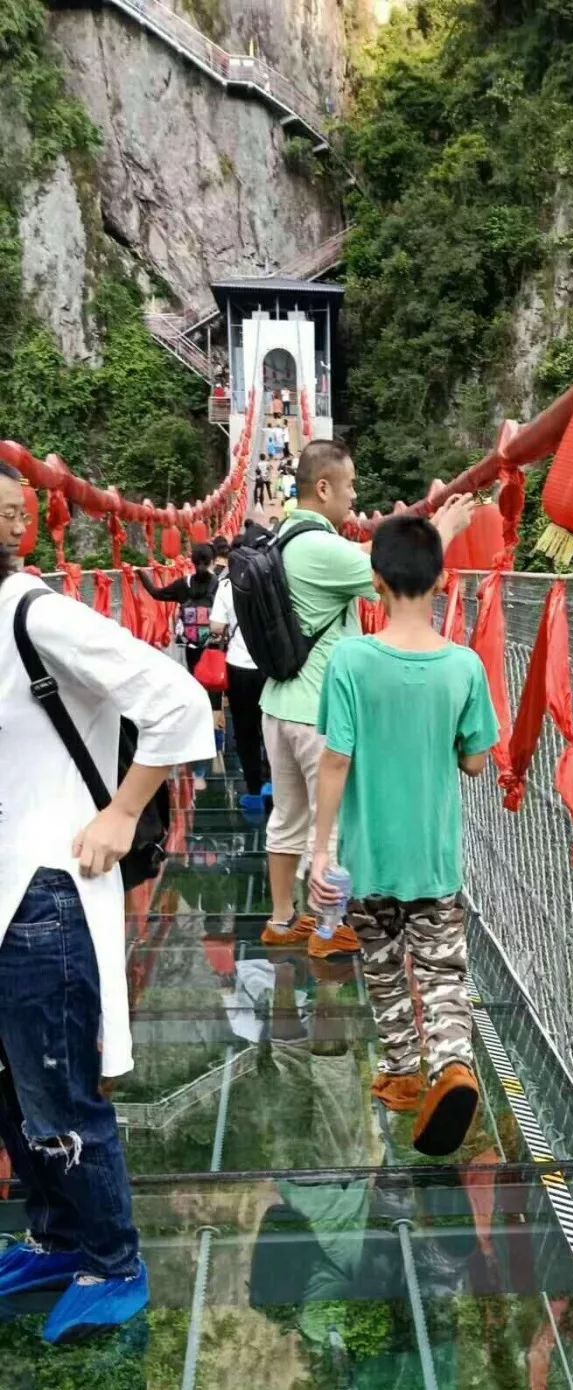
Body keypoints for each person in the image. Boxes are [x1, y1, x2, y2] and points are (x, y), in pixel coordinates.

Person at [0, 460, 215, 1341]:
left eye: (14, 509)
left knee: (56, 1098)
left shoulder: (35, 614)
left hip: (44, 896)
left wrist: (122, 814)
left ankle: (113, 1261)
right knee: (12, 1096)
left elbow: (175, 699)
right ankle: (57, 1239)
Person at [311, 514, 498, 1157]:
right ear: (443, 581)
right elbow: (476, 760)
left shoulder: (351, 660)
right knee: (443, 971)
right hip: (434, 858)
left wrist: (320, 849)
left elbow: (335, 759)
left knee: (385, 967)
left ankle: (399, 1075)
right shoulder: (465, 666)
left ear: (375, 581)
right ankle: (453, 1064)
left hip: (368, 858)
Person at [259, 439, 475, 960]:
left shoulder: (285, 536)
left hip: (278, 701)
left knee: (287, 816)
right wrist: (443, 531)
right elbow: (398, 573)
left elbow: (372, 557)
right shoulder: (320, 547)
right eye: (351, 486)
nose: (354, 498)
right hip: (315, 710)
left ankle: (281, 918)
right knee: (329, 820)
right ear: (325, 487)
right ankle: (331, 928)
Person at [137, 543, 220, 791]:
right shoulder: (221, 584)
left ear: (192, 561)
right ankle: (214, 740)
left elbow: (156, 593)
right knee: (215, 686)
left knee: (197, 680)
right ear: (213, 560)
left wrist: (141, 574)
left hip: (192, 645)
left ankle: (199, 733)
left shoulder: (183, 585)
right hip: (215, 645)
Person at [210, 539, 268, 816]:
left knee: (245, 730)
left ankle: (254, 792)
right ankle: (277, 786)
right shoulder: (273, 580)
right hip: (270, 665)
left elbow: (216, 627)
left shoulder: (226, 586)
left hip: (239, 666)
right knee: (272, 726)